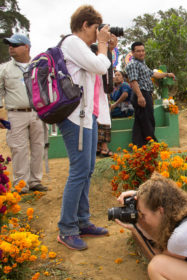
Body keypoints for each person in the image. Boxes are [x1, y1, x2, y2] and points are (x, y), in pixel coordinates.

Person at [56, 5, 112, 250]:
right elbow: (101, 66)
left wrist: (106, 47)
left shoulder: (83, 49)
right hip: (73, 118)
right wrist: (102, 46)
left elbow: (102, 72)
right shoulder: (72, 43)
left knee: (87, 169)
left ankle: (82, 220)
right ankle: (67, 229)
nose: (97, 33)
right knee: (79, 171)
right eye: (95, 28)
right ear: (85, 25)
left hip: (86, 117)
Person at [0, 34, 48, 193]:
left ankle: (35, 181)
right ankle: (21, 185)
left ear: (26, 47)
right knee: (18, 149)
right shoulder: (4, 68)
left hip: (37, 112)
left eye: (15, 44)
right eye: (9, 44)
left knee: (38, 147)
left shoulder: (38, 66)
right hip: (15, 113)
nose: (11, 47)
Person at [125, 42, 175, 147]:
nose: (141, 53)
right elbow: (133, 81)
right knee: (148, 120)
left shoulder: (142, 63)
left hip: (145, 93)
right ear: (133, 52)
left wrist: (166, 74)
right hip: (140, 93)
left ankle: (139, 145)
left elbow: (153, 74)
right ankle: (152, 144)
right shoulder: (133, 64)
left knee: (140, 121)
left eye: (143, 50)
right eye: (138, 51)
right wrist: (140, 96)